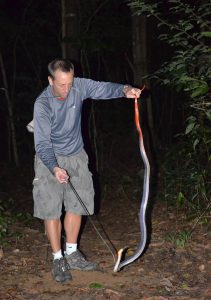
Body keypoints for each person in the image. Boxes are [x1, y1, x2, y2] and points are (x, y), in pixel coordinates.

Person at [31, 58, 141, 282]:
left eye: (70, 83)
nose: (67, 89)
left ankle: (72, 253)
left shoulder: (78, 86)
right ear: (50, 80)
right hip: (49, 157)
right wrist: (54, 168)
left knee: (77, 204)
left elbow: (102, 88)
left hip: (77, 154)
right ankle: (58, 258)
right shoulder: (42, 103)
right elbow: (42, 144)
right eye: (61, 84)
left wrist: (125, 90)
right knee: (51, 208)